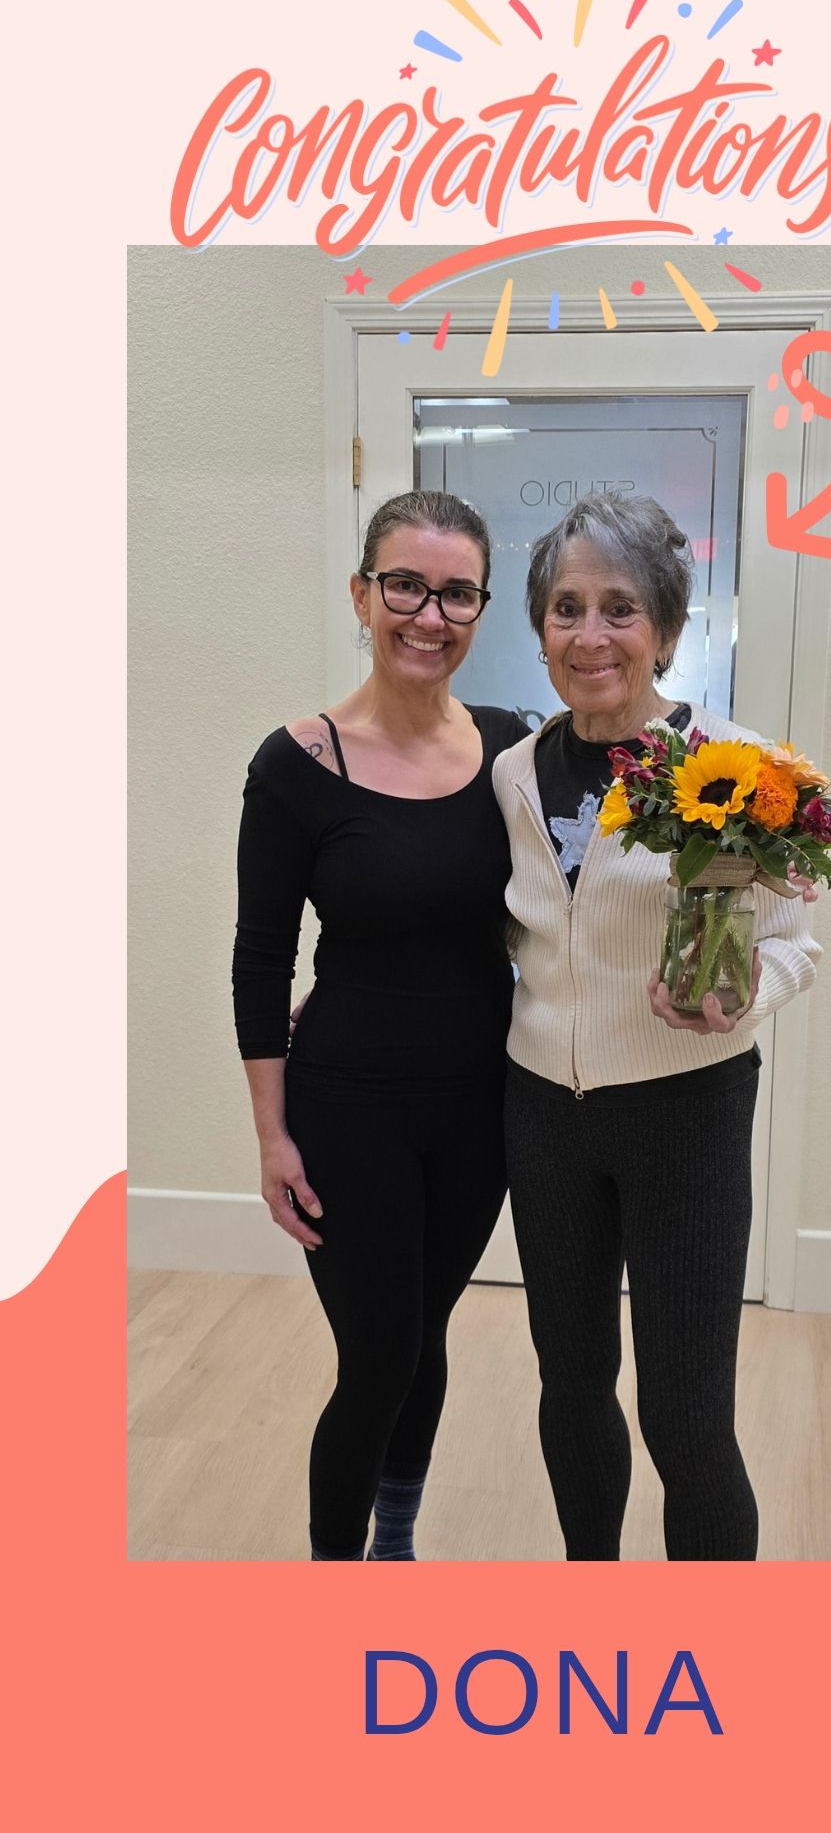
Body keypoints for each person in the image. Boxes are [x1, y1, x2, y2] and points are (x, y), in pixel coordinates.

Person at [493, 492, 822, 1561]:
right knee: (572, 1384)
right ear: (540, 627)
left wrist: (744, 996)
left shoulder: (741, 772)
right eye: (566, 608)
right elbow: (507, 927)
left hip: (686, 1112)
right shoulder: (512, 772)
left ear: (669, 630)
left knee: (685, 1418)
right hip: (544, 1116)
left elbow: (796, 945)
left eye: (621, 609)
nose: (590, 635)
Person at [232, 491, 526, 1562]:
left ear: (481, 608)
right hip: (348, 1106)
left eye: (457, 593)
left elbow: (566, 904)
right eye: (405, 585)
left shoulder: (513, 749)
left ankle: (393, 1544)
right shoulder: (297, 765)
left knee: (422, 1334)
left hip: (481, 1107)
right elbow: (261, 960)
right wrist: (272, 1136)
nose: (429, 615)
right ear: (362, 595)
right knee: (378, 1359)